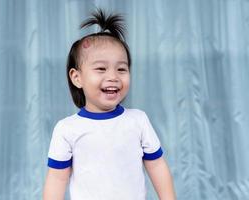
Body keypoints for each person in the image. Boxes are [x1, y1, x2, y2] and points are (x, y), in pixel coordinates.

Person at [43, 8, 177, 200]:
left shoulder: (138, 120)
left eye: (121, 69)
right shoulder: (67, 129)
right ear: (77, 77)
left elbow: (156, 165)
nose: (113, 77)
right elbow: (56, 179)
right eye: (101, 68)